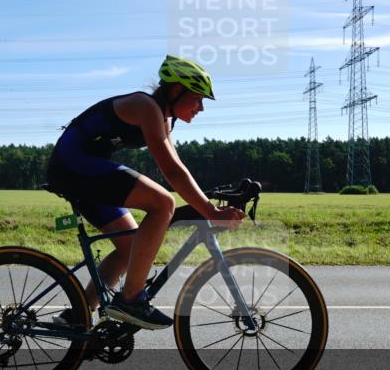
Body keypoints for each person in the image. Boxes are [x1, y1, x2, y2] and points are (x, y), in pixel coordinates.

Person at [46, 55, 245, 329]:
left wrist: (206, 204)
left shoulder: (164, 119)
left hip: (85, 169)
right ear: (176, 90)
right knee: (163, 203)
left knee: (131, 247)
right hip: (72, 164)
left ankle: (77, 316)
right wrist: (210, 210)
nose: (201, 108)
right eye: (197, 98)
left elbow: (178, 167)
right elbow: (171, 172)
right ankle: (131, 299)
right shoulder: (145, 106)